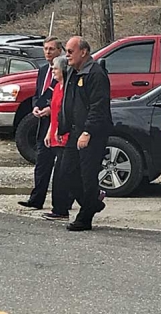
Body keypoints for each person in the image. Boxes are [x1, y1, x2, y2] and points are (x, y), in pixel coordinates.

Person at [57, 36, 113, 231]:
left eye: (70, 52)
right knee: (66, 172)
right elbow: (68, 102)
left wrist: (88, 131)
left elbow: (98, 106)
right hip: (75, 131)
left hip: (92, 133)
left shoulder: (96, 74)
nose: (67, 55)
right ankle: (93, 203)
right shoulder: (73, 72)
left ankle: (85, 218)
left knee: (88, 176)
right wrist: (62, 126)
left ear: (84, 52)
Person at [18, 37, 62, 210]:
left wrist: (52, 110)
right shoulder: (43, 70)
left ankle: (67, 200)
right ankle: (37, 199)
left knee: (65, 165)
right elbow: (38, 94)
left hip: (60, 122)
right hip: (43, 123)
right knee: (42, 161)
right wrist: (36, 107)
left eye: (51, 49)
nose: (48, 52)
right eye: (45, 49)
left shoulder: (65, 71)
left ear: (60, 51)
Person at [41, 55, 74, 221]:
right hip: (54, 134)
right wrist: (49, 131)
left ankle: (61, 208)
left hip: (64, 135)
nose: (53, 70)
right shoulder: (58, 87)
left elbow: (66, 113)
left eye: (55, 68)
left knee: (62, 173)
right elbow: (54, 112)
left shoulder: (68, 89)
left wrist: (60, 131)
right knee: (62, 171)